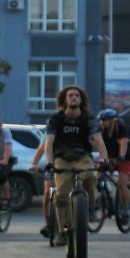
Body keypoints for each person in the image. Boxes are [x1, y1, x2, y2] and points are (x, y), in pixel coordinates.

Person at [44, 86, 110, 241]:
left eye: (76, 95)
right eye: (70, 95)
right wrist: (49, 162)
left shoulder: (88, 118)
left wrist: (105, 160)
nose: (73, 97)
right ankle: (62, 232)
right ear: (65, 99)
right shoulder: (56, 119)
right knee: (61, 194)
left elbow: (98, 141)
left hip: (82, 156)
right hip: (62, 158)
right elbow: (49, 143)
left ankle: (91, 207)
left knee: (90, 177)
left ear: (81, 100)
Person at [98, 108, 130, 218]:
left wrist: (121, 156)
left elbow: (123, 144)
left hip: (128, 157)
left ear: (112, 120)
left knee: (122, 182)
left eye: (104, 120)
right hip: (112, 155)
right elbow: (96, 143)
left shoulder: (122, 128)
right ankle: (104, 198)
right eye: (101, 120)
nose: (102, 122)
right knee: (98, 171)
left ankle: (126, 208)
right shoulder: (101, 130)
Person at [30, 142, 57, 240]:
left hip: (67, 165)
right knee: (47, 192)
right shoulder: (50, 131)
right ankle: (48, 224)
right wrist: (34, 164)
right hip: (52, 167)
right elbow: (42, 148)